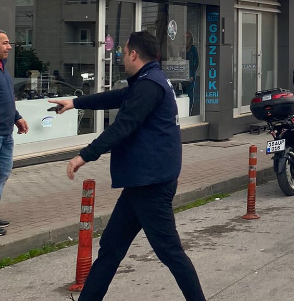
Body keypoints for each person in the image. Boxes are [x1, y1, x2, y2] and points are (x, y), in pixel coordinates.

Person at [49, 31, 205, 301]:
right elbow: (116, 98)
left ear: (134, 54)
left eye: (123, 51)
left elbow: (122, 127)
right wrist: (75, 102)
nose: (121, 56)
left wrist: (83, 155)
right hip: (141, 183)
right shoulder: (146, 81)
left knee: (170, 252)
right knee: (111, 248)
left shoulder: (149, 85)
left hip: (152, 185)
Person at [0, 30, 29, 237]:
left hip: (6, 132)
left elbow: (7, 98)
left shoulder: (3, 68)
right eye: (5, 43)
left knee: (2, 174)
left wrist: (17, 117)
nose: (9, 47)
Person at [184, 31, 199, 114]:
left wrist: (192, 75)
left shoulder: (193, 48)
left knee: (190, 93)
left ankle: (189, 112)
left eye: (188, 37)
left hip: (190, 74)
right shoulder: (180, 47)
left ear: (191, 39)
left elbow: (196, 63)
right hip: (181, 73)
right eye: (184, 37)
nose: (186, 39)